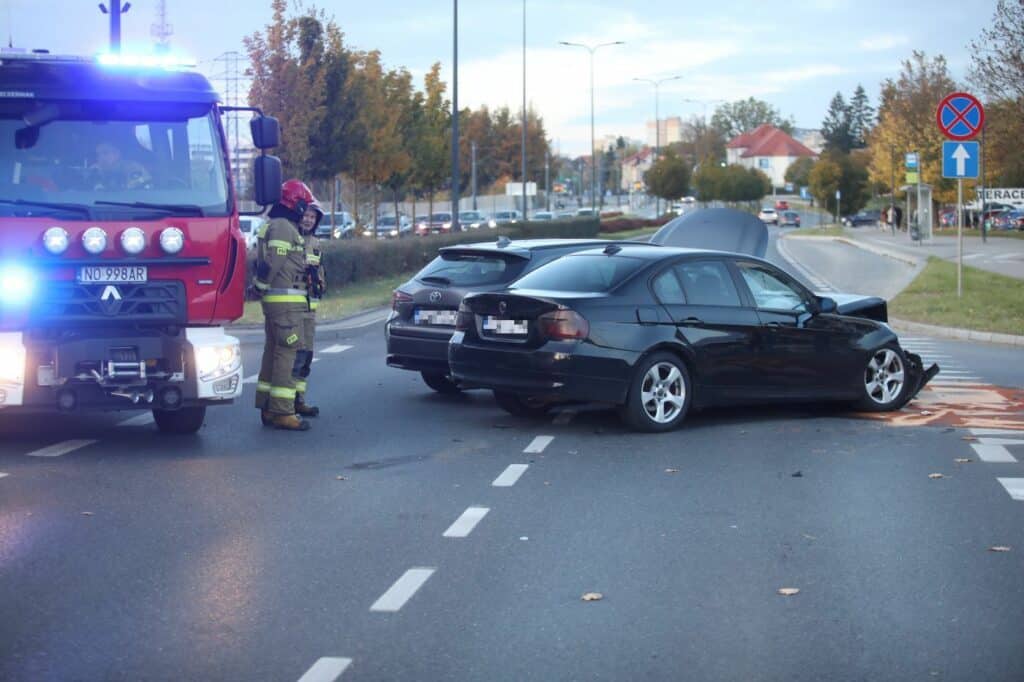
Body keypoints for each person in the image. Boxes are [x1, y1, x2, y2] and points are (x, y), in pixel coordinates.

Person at [252, 179, 318, 431]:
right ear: (296, 204)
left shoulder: (280, 225)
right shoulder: (283, 226)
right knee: (288, 351)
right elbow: (273, 262)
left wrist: (260, 288)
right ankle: (282, 411)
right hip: (286, 304)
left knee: (274, 351)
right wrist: (260, 285)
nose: (305, 210)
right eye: (304, 204)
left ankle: (269, 407)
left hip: (281, 302)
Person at [295, 200, 326, 418]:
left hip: (309, 309)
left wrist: (321, 285)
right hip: (293, 307)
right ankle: (286, 402)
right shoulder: (291, 238)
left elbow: (320, 270)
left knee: (306, 356)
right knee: (294, 356)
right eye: (305, 215)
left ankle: (299, 399)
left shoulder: (316, 242)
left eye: (312, 217)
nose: (308, 220)